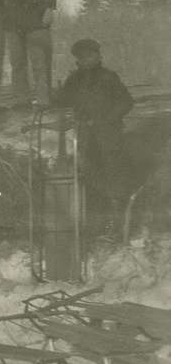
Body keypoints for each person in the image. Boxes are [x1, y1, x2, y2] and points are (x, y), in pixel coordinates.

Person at [51, 39, 134, 240]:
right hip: (86, 141)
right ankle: (98, 227)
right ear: (77, 60)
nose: (88, 59)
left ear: (98, 56)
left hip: (109, 139)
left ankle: (118, 227)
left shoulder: (108, 77)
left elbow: (126, 102)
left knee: (115, 181)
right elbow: (62, 101)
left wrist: (106, 120)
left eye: (91, 55)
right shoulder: (74, 80)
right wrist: (55, 94)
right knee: (92, 182)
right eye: (83, 56)